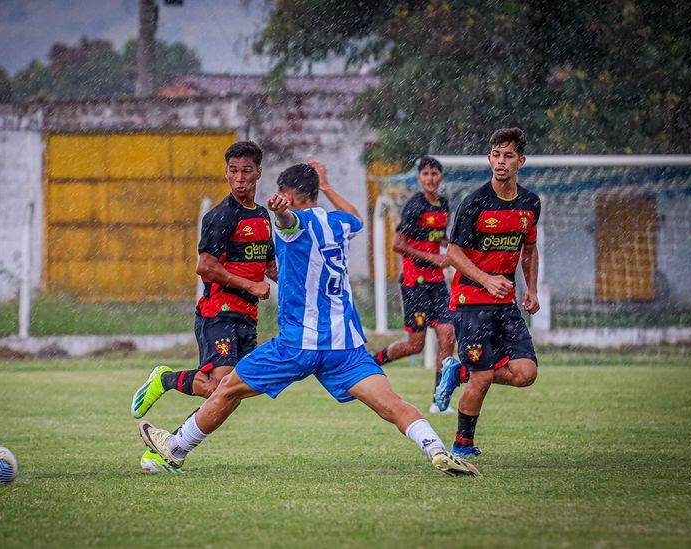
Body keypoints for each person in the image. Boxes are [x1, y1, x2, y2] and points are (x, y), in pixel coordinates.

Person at [137, 157, 479, 477]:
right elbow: (356, 216)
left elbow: (288, 223)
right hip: (344, 347)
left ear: (287, 196)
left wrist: (282, 213)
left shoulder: (293, 223)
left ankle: (176, 448)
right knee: (391, 404)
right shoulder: (339, 224)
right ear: (317, 193)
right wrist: (327, 185)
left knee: (227, 389)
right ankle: (435, 448)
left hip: (297, 344)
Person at [130, 140, 275, 424]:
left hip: (248, 315)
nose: (240, 178)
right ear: (226, 172)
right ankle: (166, 382)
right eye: (233, 171)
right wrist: (250, 285)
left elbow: (270, 266)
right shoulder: (221, 216)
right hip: (218, 312)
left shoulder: (262, 215)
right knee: (220, 388)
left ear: (258, 172)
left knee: (246, 387)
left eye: (246, 171)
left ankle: (172, 442)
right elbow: (205, 266)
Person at [434, 127, 541, 458]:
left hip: (505, 303)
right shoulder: (475, 203)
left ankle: (459, 370)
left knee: (526, 373)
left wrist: (532, 289)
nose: (501, 161)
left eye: (508, 155)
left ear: (520, 161)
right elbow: (452, 253)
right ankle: (462, 445)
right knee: (481, 379)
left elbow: (529, 249)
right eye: (496, 155)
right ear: (489, 158)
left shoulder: (530, 203)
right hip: (471, 302)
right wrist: (486, 279)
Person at [372, 156, 457, 414]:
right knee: (415, 345)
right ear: (419, 178)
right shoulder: (414, 205)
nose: (430, 178)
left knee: (448, 335)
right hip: (415, 283)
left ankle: (439, 401)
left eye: (434, 173)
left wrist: (452, 247)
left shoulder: (443, 203)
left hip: (437, 283)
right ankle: (369, 363)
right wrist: (432, 257)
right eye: (426, 174)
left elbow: (438, 236)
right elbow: (398, 244)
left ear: (440, 177)